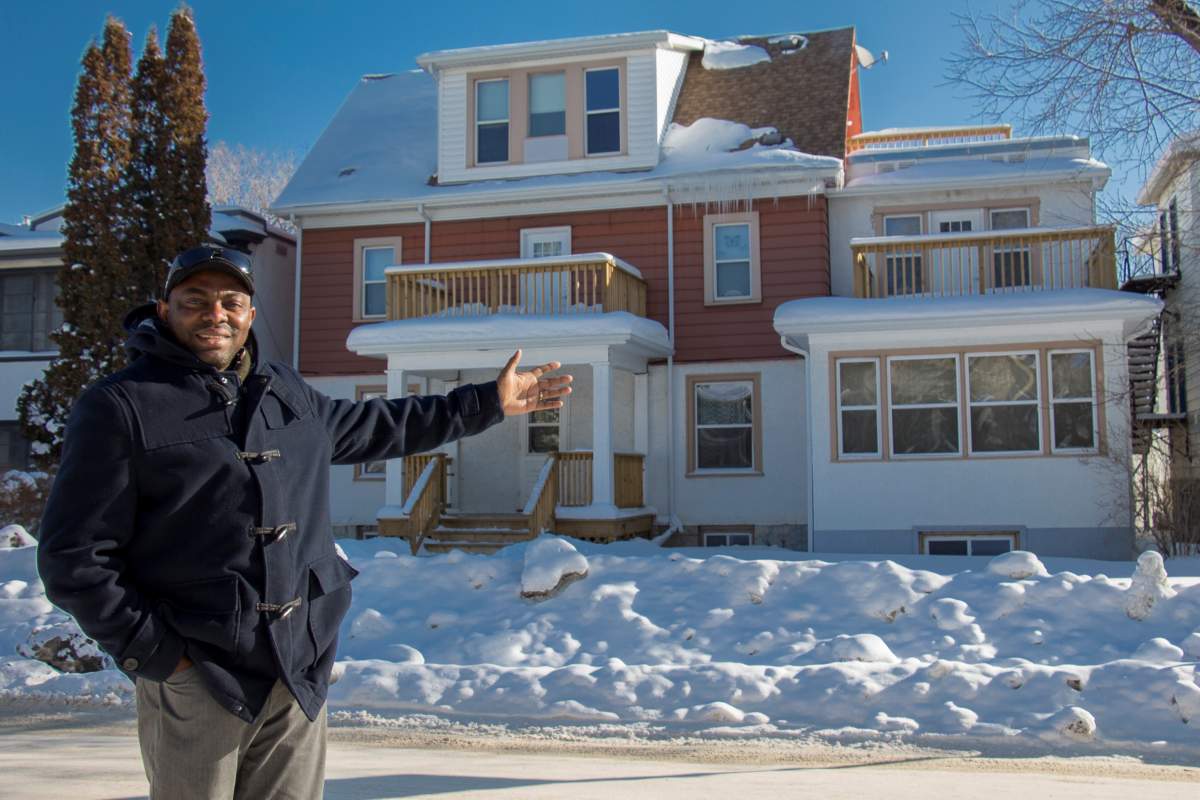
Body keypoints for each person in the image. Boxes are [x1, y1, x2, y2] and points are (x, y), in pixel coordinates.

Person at [36, 245, 572, 799]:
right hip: (200, 671)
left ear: (248, 314)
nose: (214, 314)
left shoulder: (282, 392)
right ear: (164, 308)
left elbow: (377, 425)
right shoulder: (122, 405)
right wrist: (162, 657)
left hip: (295, 670)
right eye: (195, 301)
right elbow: (73, 556)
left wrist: (485, 402)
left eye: (231, 302)